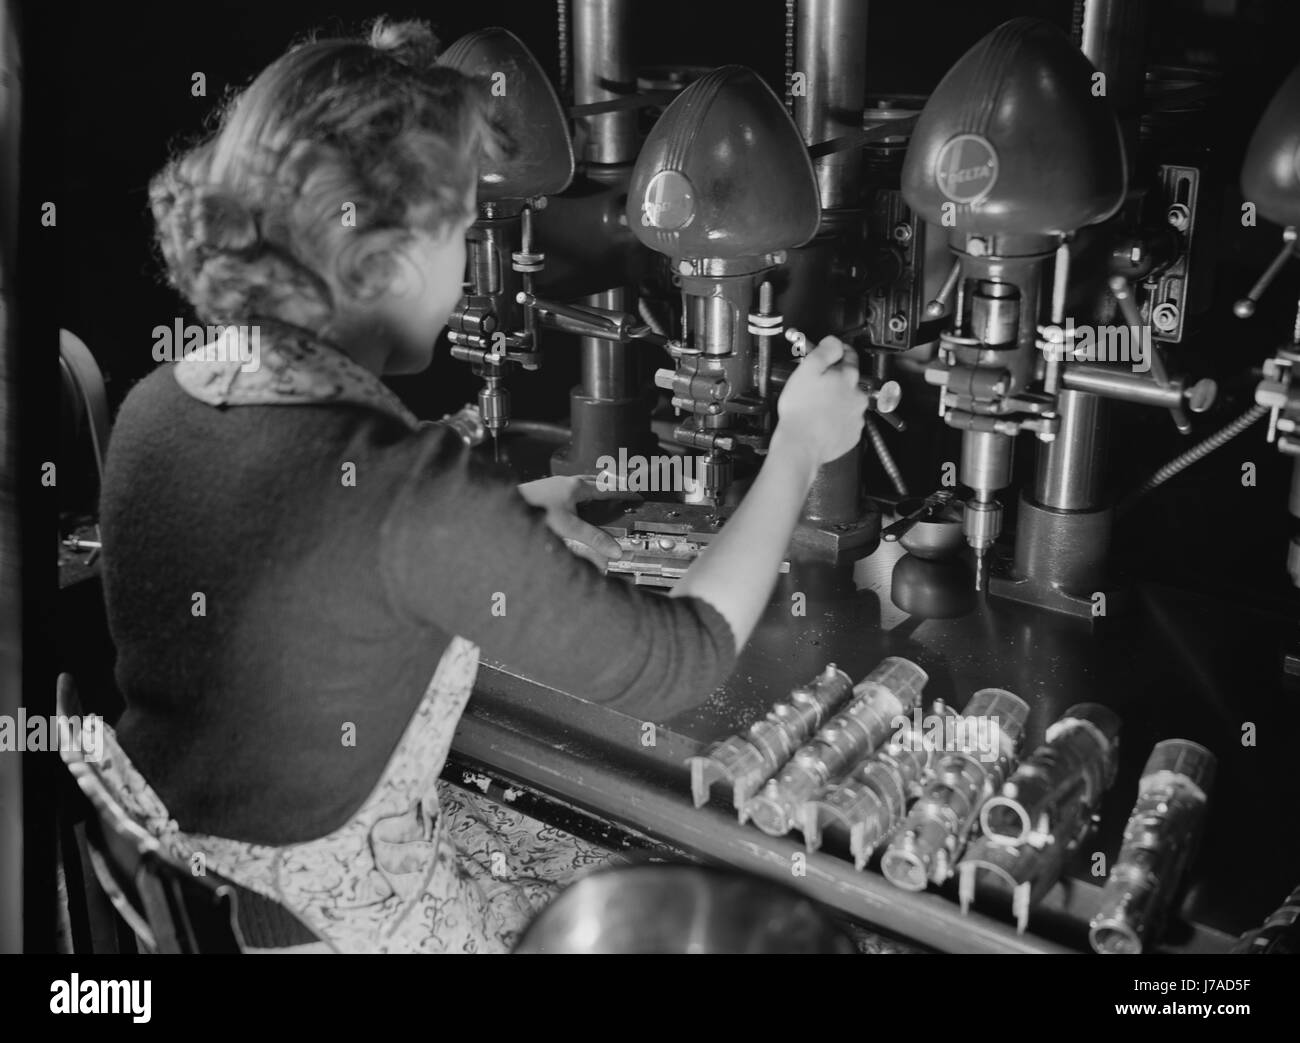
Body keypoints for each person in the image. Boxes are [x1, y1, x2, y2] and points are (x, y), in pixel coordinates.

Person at [95, 18, 869, 953]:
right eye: (464, 227)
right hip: (335, 932)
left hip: (181, 895)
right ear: (384, 251)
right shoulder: (411, 489)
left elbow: (305, 536)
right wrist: (797, 446)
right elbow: (682, 659)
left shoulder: (155, 402)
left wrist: (491, 525)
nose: (471, 266)